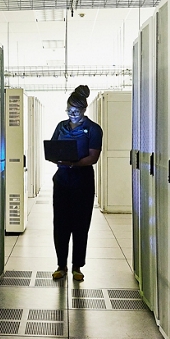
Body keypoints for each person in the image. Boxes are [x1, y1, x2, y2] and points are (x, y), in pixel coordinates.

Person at [48, 85, 103, 282]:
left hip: (83, 181)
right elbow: (53, 148)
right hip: (62, 180)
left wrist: (73, 162)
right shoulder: (61, 126)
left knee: (80, 224)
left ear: (84, 110)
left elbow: (93, 157)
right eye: (69, 110)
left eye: (76, 111)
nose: (72, 114)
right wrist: (58, 158)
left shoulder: (94, 129)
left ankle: (77, 266)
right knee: (60, 224)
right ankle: (60, 264)